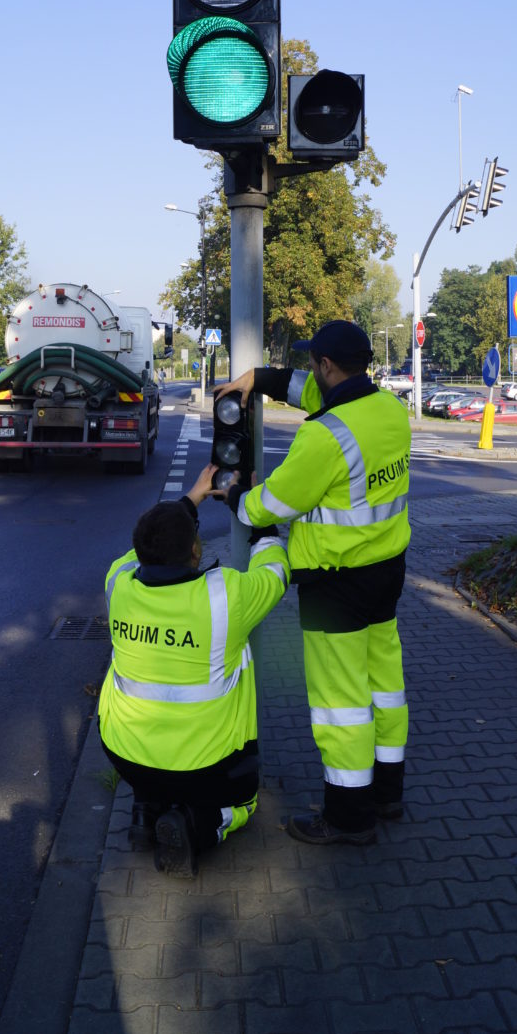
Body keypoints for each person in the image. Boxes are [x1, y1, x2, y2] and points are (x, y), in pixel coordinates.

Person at [215, 321, 411, 847]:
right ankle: (388, 793)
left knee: (340, 703)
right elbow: (312, 393)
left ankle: (349, 817)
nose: (310, 373)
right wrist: (261, 378)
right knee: (383, 686)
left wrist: (237, 497)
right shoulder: (389, 410)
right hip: (387, 573)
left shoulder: (326, 435)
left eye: (314, 364)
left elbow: (277, 502)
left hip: (335, 586)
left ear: (327, 365)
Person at [97, 463, 290, 876]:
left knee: (154, 772)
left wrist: (190, 499)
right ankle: (191, 825)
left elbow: (145, 549)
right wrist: (261, 519)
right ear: (196, 552)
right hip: (206, 765)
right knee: (244, 801)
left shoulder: (118, 583)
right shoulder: (225, 598)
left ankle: (146, 807)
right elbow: (275, 572)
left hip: (125, 755)